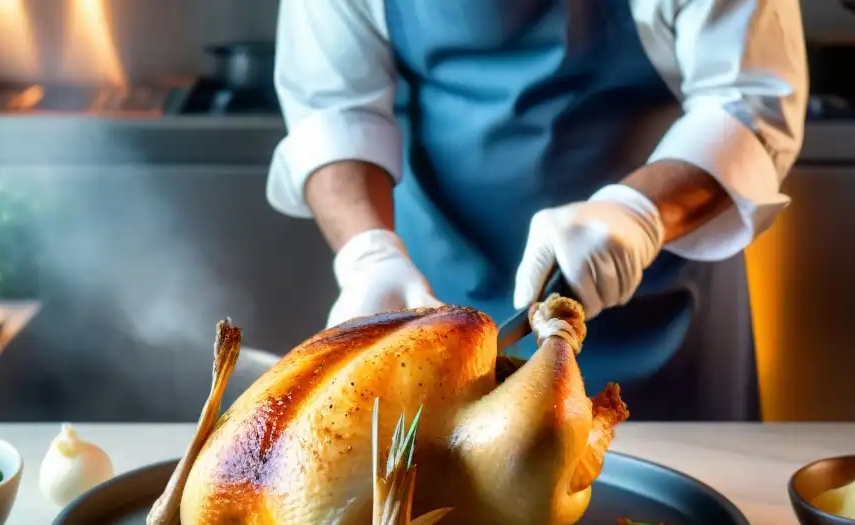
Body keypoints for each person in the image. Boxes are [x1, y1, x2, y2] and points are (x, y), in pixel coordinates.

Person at [266, 0, 807, 421]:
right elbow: (333, 110)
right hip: (438, 290)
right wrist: (369, 254)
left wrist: (639, 213)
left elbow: (750, 100)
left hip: (660, 298)